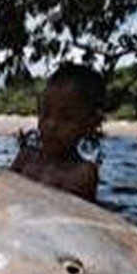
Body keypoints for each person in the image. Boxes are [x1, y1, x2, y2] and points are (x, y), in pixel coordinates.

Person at [10, 63, 106, 202]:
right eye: (46, 113)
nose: (51, 125)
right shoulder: (25, 158)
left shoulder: (82, 173)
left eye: (66, 118)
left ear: (89, 124)